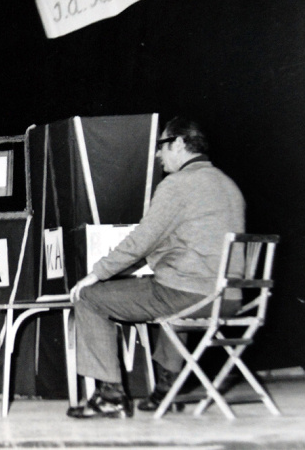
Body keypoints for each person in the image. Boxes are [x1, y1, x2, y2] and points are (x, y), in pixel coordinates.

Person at [67, 117, 245, 419]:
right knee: (170, 294)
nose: (158, 154)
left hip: (192, 295)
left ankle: (110, 396)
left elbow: (141, 241)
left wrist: (94, 275)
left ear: (179, 143)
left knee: (89, 298)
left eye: (162, 145)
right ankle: (167, 390)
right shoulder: (228, 185)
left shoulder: (177, 185)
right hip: (229, 299)